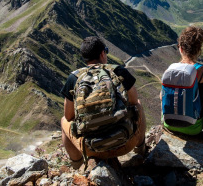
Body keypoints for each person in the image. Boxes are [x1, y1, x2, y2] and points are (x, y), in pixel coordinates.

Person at [61, 36, 146, 168]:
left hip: (92, 149)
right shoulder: (118, 71)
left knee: (63, 121)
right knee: (138, 105)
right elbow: (134, 101)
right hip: (125, 143)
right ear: (102, 53)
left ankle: (78, 165)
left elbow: (69, 116)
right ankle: (140, 151)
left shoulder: (73, 78)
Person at [161, 26, 203, 145]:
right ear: (199, 50)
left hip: (169, 124)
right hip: (193, 128)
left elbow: (162, 97)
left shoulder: (171, 70)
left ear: (180, 48)